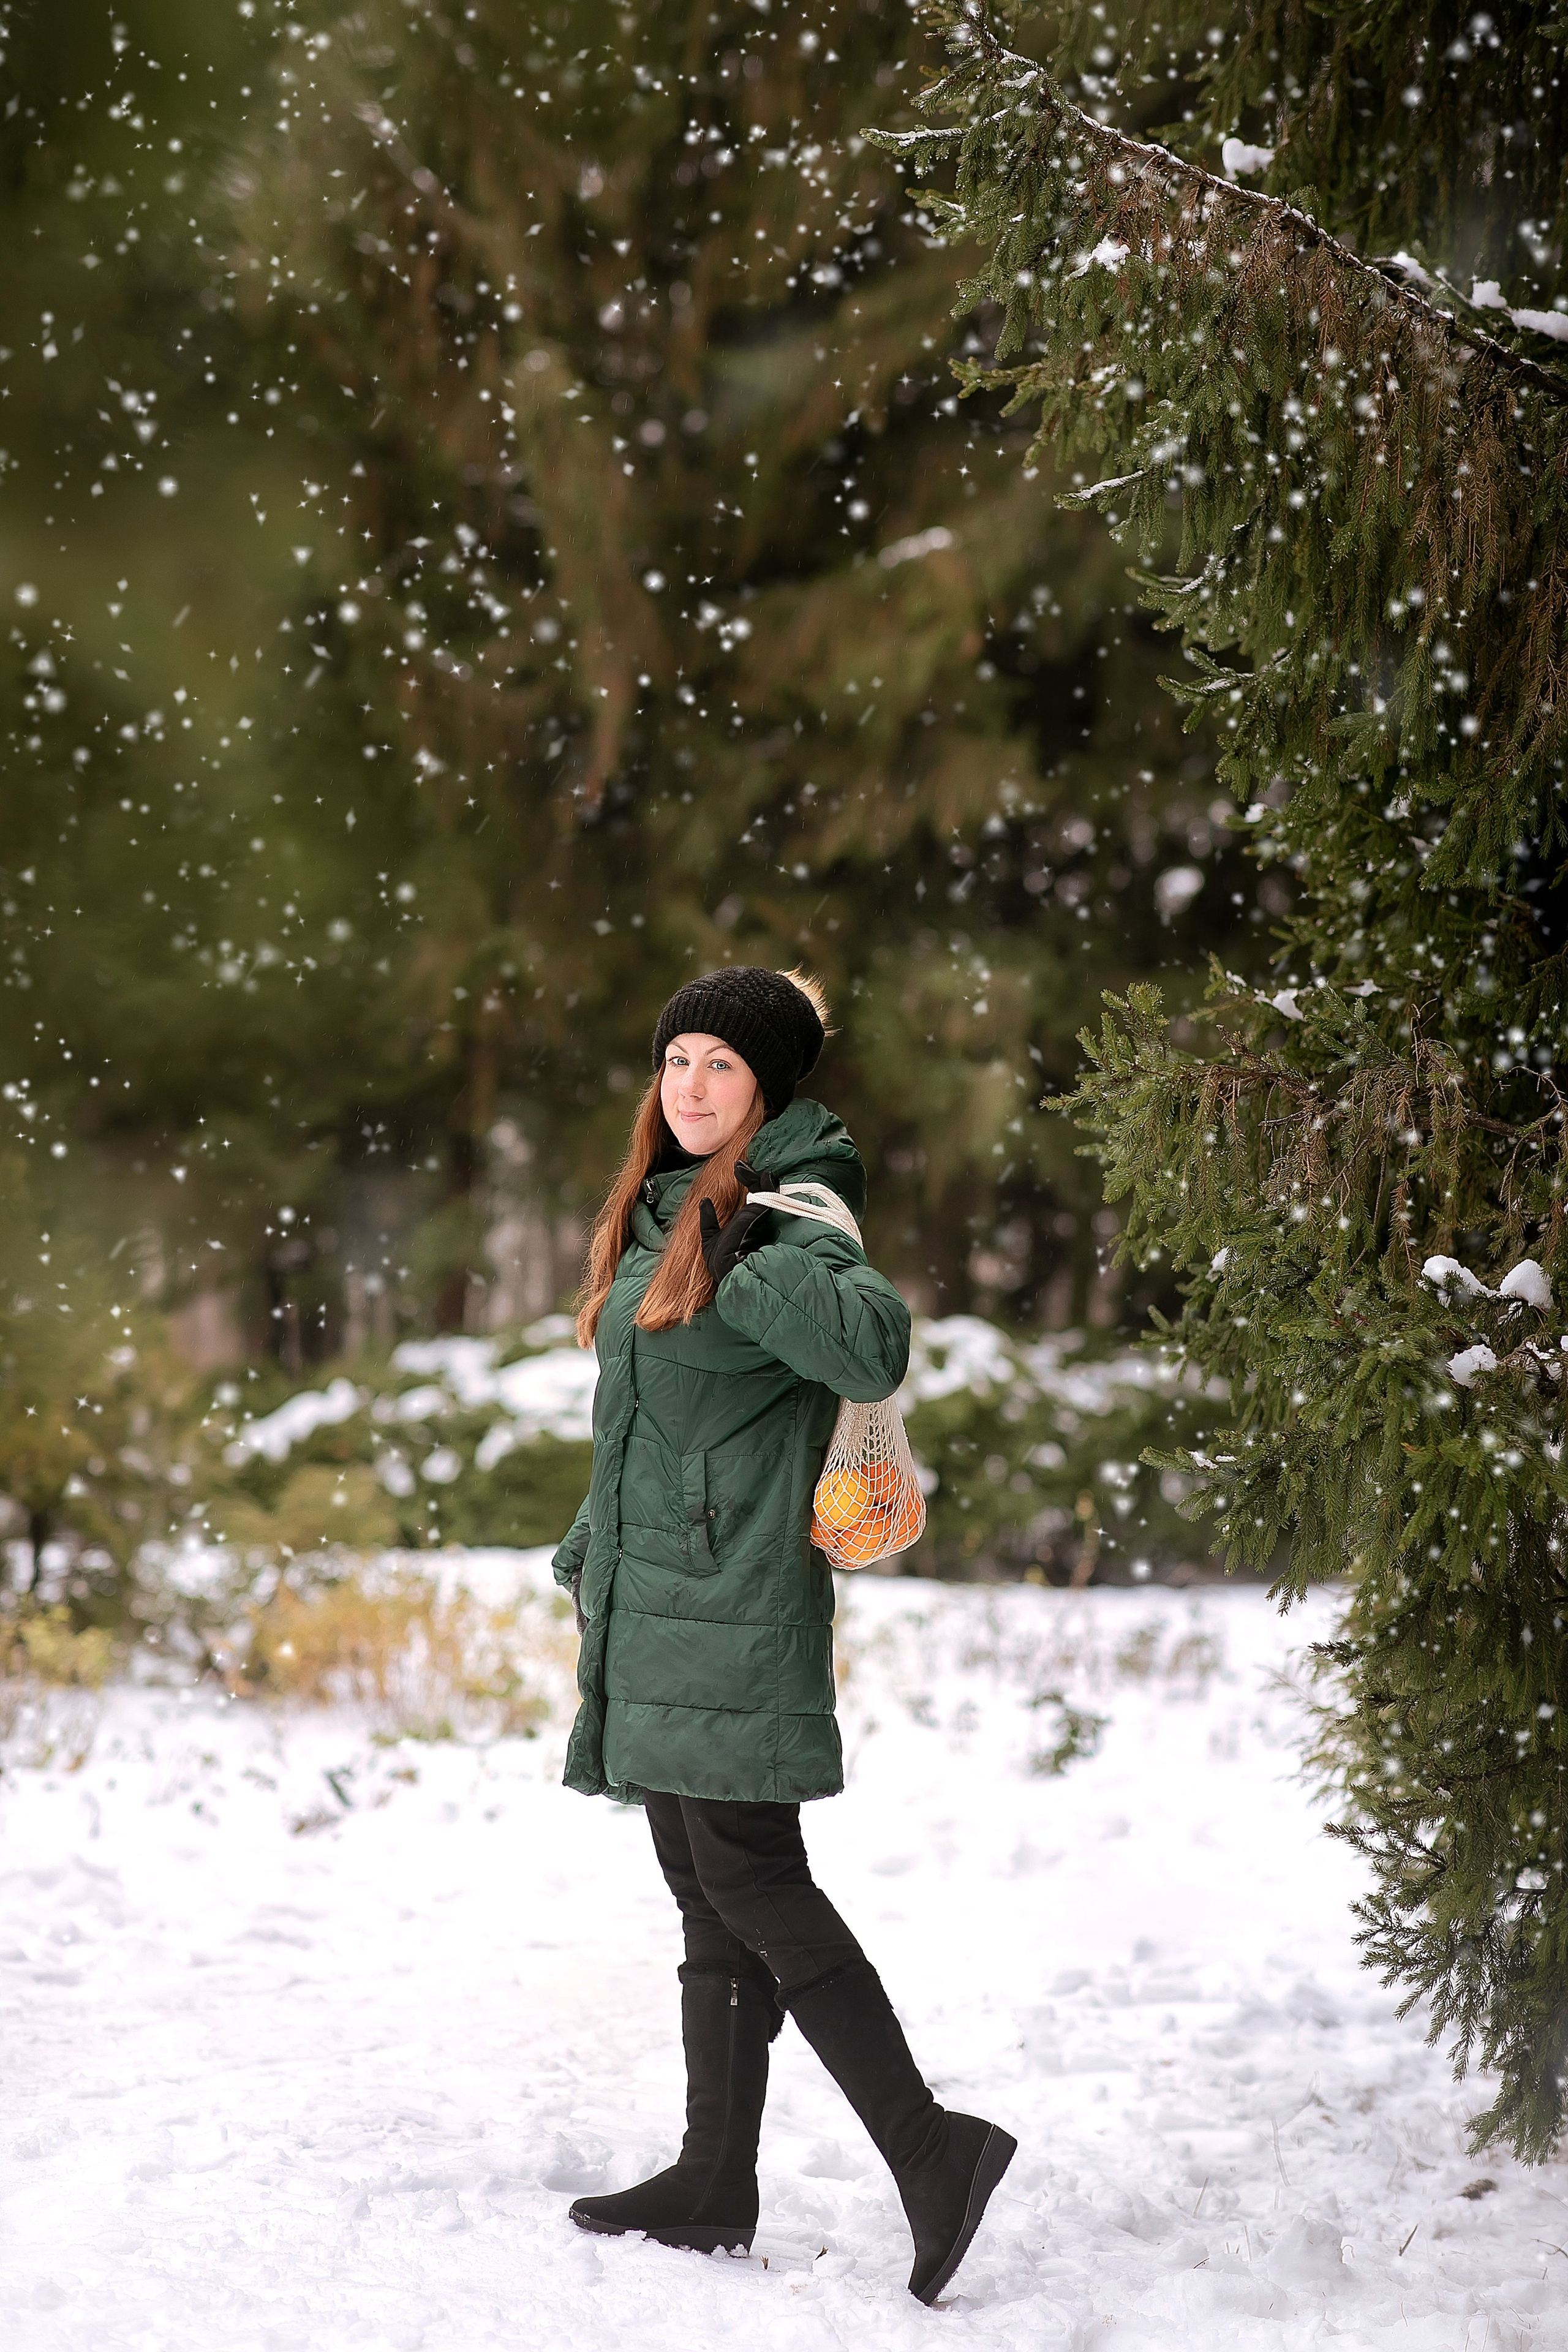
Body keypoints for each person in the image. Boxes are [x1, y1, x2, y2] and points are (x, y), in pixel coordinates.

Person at [552, 965, 1015, 2305]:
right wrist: (594, 1550)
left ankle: (934, 2152)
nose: (689, 1087)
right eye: (675, 1059)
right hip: (660, 1603)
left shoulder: (783, 1211)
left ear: (766, 1088)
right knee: (708, 1901)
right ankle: (713, 2178)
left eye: (718, 1066)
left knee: (755, 1886)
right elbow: (651, 1423)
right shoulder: (657, 1213)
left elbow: (869, 1347)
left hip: (739, 1607)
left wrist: (747, 1254)